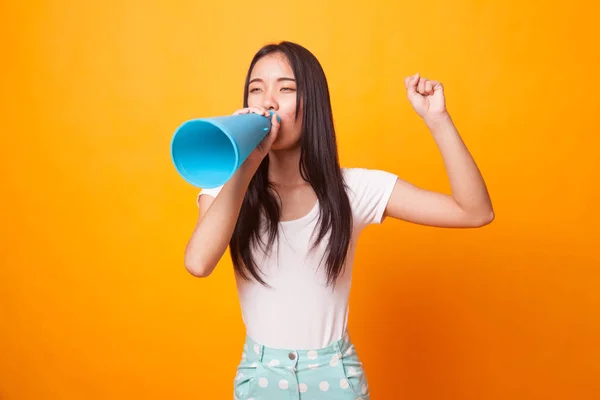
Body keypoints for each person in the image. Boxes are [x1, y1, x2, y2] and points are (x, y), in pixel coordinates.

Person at [183, 41, 494, 400]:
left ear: (311, 104)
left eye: (286, 88)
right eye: (256, 89)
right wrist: (245, 164)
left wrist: (437, 119)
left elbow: (475, 212)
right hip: (260, 381)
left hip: (336, 380)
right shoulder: (225, 186)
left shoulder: (352, 189)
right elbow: (197, 262)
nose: (268, 101)